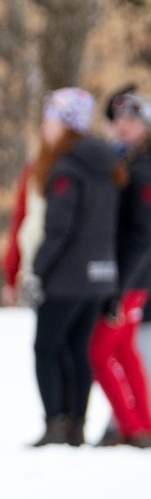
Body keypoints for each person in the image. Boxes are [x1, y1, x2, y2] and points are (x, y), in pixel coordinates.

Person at [4, 88, 125, 446]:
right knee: (77, 350)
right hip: (99, 277)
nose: (46, 127)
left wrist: (37, 271)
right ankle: (76, 424)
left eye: (51, 119)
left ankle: (56, 423)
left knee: (46, 347)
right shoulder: (106, 165)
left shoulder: (66, 168)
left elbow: (59, 228)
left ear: (66, 123)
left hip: (67, 279)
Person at [93, 87, 151, 447]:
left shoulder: (142, 170)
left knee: (99, 352)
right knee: (124, 351)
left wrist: (119, 290)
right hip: (130, 276)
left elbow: (142, 237)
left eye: (132, 120)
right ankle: (141, 423)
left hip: (132, 278)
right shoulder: (125, 162)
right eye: (118, 120)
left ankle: (132, 427)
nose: (123, 127)